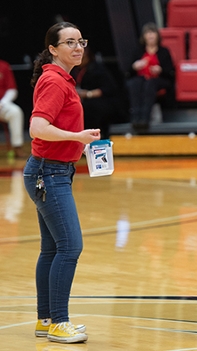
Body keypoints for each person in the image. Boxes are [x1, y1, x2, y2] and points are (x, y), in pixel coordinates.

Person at [23, 22, 101, 344]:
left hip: (50, 170)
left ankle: (46, 320)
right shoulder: (54, 81)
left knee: (52, 249)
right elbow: (37, 127)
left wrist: (79, 144)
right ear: (53, 49)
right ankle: (59, 322)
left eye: (80, 41)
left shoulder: (61, 79)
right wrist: (75, 137)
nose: (78, 47)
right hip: (48, 173)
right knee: (70, 246)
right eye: (69, 42)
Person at [126, 22, 175, 131]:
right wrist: (135, 66)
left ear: (157, 35)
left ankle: (144, 118)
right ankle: (135, 117)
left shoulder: (164, 51)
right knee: (134, 83)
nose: (150, 36)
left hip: (159, 80)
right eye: (148, 33)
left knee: (150, 84)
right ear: (144, 36)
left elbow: (170, 71)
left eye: (152, 33)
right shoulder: (138, 51)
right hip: (141, 79)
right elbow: (128, 70)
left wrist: (160, 69)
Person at [72, 46, 121, 139]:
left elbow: (109, 88)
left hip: (101, 101)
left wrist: (88, 94)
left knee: (89, 107)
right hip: (80, 100)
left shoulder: (97, 69)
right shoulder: (74, 70)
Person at [0, 59, 26, 158]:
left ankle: (17, 147)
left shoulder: (4, 66)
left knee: (15, 112)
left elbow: (12, 90)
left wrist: (2, 103)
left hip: (2, 105)